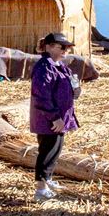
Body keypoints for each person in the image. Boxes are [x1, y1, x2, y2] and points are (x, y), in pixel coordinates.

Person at [30, 32, 81, 202]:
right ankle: (41, 189)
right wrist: (54, 118)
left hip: (59, 118)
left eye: (66, 48)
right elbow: (41, 96)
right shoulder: (44, 67)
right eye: (61, 47)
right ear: (49, 46)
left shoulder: (59, 66)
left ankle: (48, 179)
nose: (65, 51)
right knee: (47, 152)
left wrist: (76, 89)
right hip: (49, 120)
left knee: (55, 149)